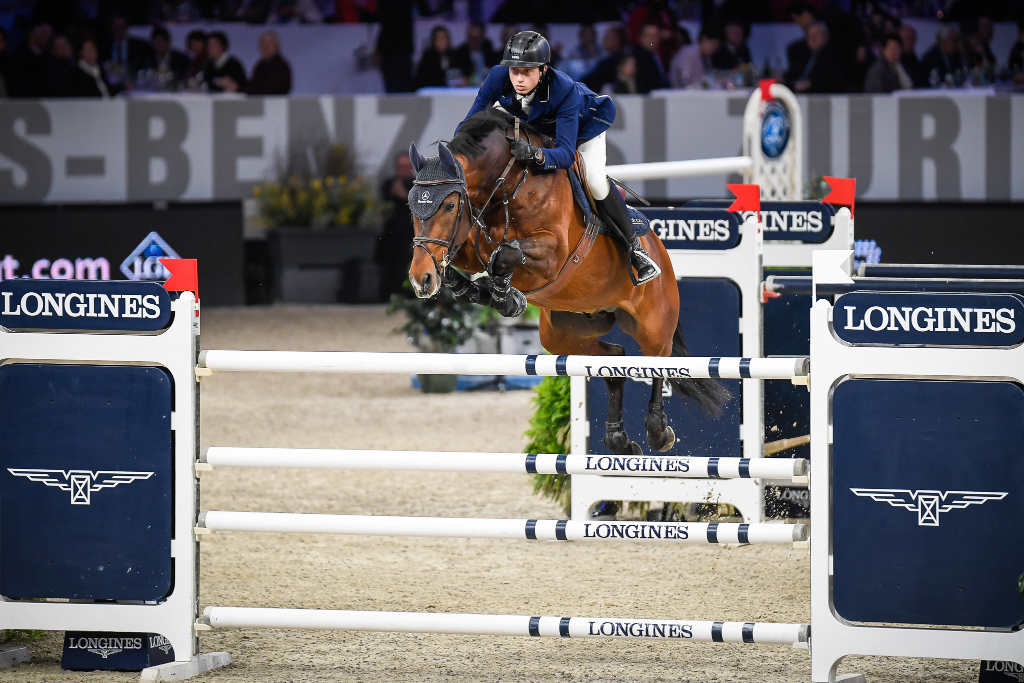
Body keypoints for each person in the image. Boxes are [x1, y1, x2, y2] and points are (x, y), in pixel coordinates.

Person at [459, 31, 660, 286]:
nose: (518, 79)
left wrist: (536, 154)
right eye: (514, 71)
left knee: (595, 180)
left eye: (526, 72)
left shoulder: (563, 90)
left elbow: (565, 154)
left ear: (543, 70)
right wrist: (459, 155)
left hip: (584, 128)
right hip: (540, 124)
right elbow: (469, 125)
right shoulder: (498, 76)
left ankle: (635, 250)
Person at [375, 151, 416, 299]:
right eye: (400, 166)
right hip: (391, 232)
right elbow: (385, 199)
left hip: (410, 232)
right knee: (389, 262)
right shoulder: (389, 183)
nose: (403, 170)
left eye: (406, 166)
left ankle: (408, 293)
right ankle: (388, 293)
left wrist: (404, 195)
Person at [785, 21, 846, 94]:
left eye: (816, 35)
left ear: (826, 37)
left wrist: (810, 84)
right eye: (809, 35)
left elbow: (834, 83)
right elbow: (793, 75)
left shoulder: (833, 57)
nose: (813, 39)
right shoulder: (802, 55)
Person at [103, 14, 153, 85]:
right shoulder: (104, 46)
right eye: (116, 26)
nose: (119, 29)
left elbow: (145, 68)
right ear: (111, 28)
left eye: (122, 26)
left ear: (127, 27)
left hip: (134, 84)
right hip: (111, 85)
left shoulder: (140, 46)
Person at [8, 20, 52, 97]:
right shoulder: (21, 56)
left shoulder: (47, 55)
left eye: (48, 35)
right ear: (31, 36)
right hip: (26, 100)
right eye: (43, 34)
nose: (46, 38)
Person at [451, 21, 498, 86]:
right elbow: (455, 74)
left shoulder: (489, 53)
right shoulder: (459, 54)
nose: (474, 41)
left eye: (477, 38)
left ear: (483, 38)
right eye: (472, 38)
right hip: (466, 90)